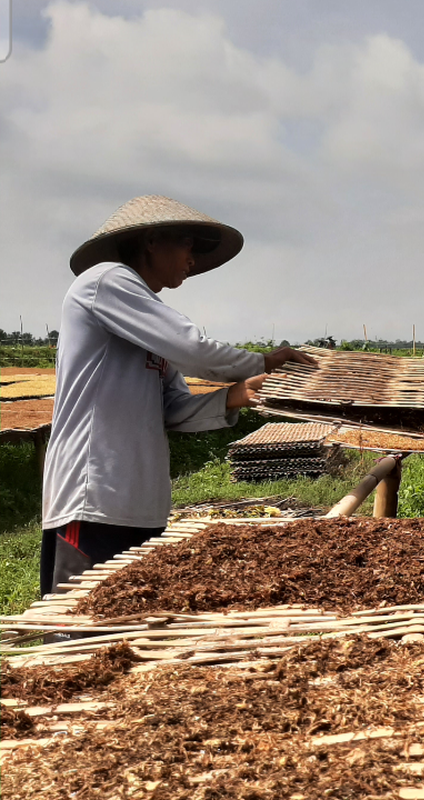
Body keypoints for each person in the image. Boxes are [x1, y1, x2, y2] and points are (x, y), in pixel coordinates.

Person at [40, 195, 317, 597]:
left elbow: (172, 410)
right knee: (80, 621)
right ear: (152, 241)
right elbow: (192, 348)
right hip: (94, 496)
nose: (192, 259)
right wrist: (263, 362)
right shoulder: (106, 280)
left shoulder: (147, 324)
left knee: (127, 621)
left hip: (141, 504)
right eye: (188, 244)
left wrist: (236, 395)